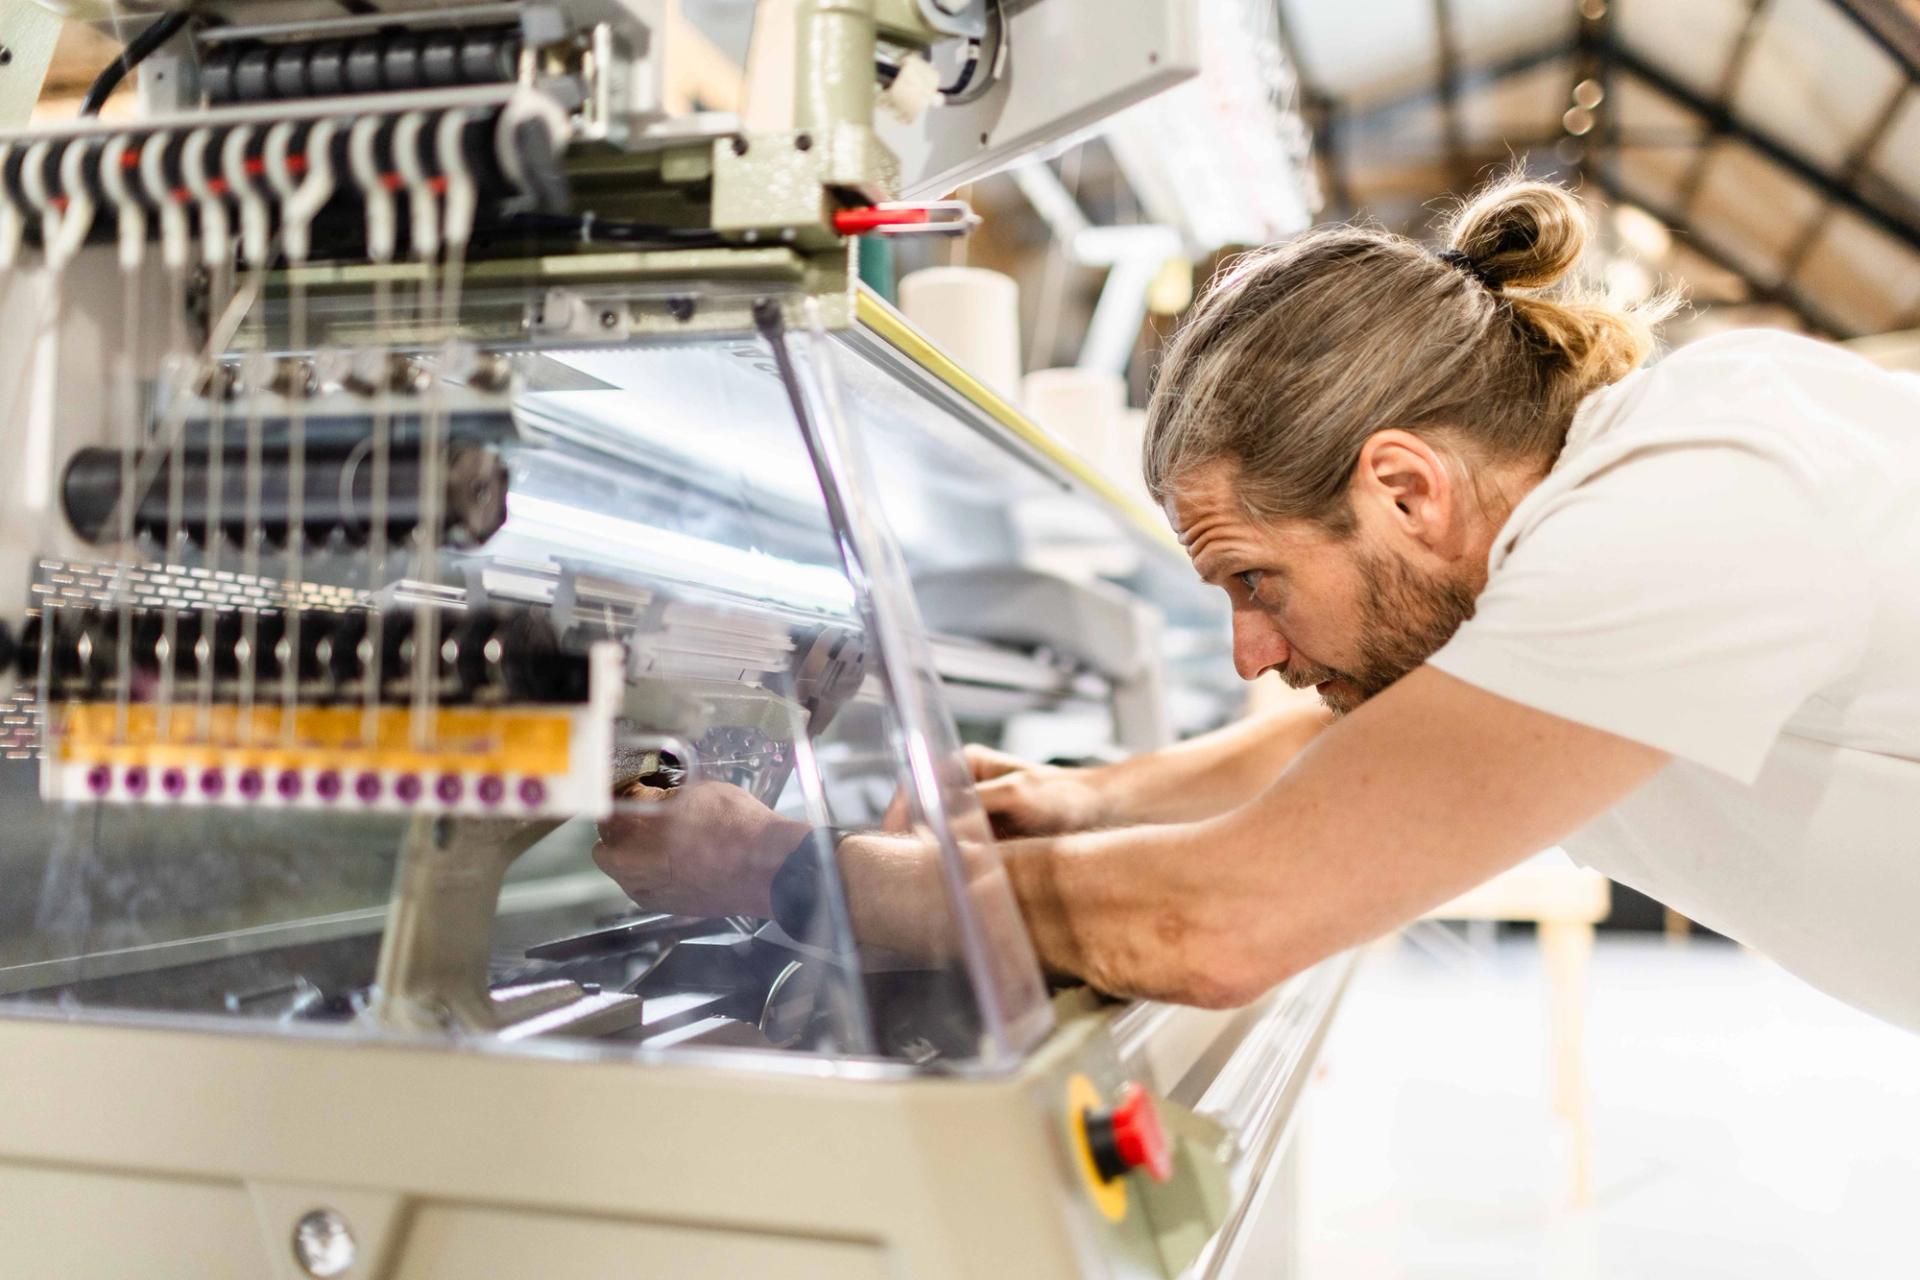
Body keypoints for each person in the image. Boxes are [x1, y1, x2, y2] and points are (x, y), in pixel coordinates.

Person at [594, 176, 1920, 1033]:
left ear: (1403, 489)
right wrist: (1087, 801)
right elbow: (1427, 738)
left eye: (1256, 581)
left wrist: (777, 869)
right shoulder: (1599, 520)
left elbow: (1210, 923)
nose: (1252, 647)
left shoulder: (1689, 508)